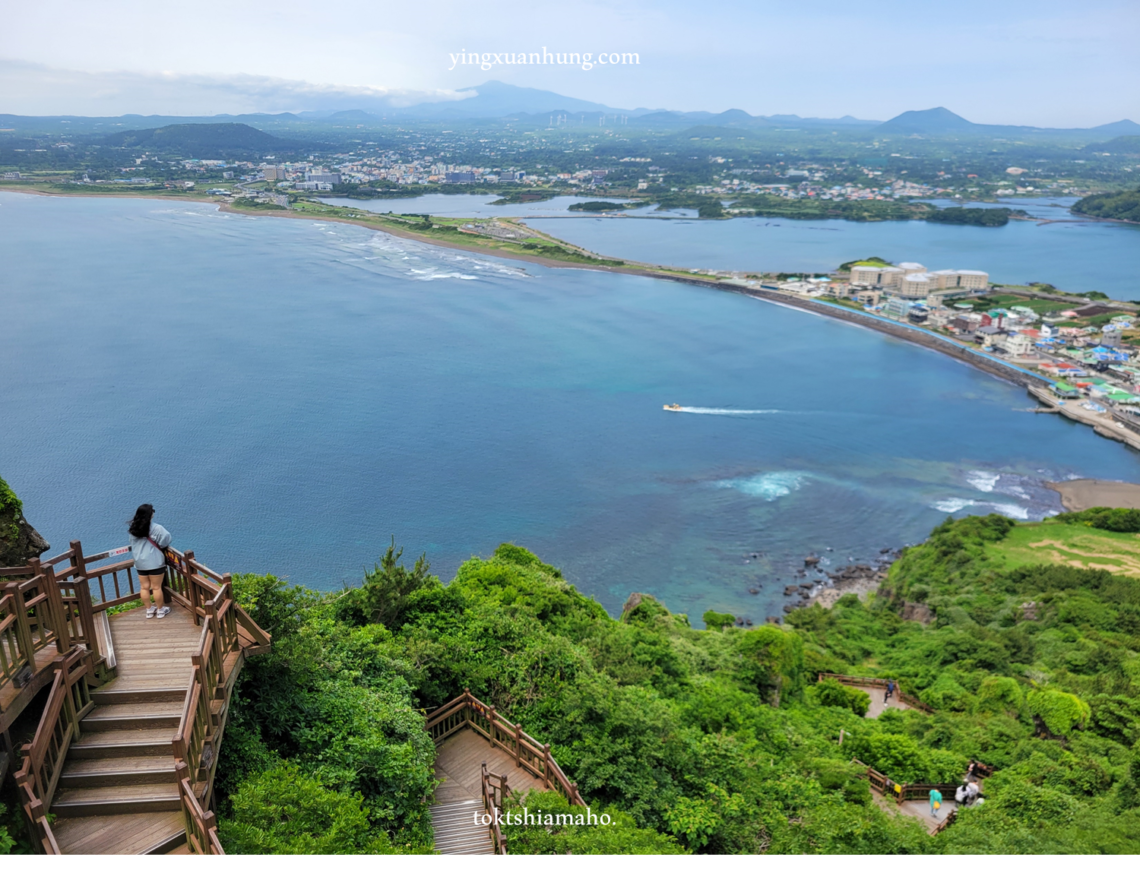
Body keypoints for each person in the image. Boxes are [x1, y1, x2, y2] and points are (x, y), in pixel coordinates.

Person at [128, 503, 172, 619]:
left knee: (144, 587)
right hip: (155, 562)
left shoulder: (133, 528)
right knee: (156, 587)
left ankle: (148, 610)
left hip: (140, 563)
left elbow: (132, 544)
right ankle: (160, 610)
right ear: (150, 514)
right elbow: (166, 540)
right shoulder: (157, 528)